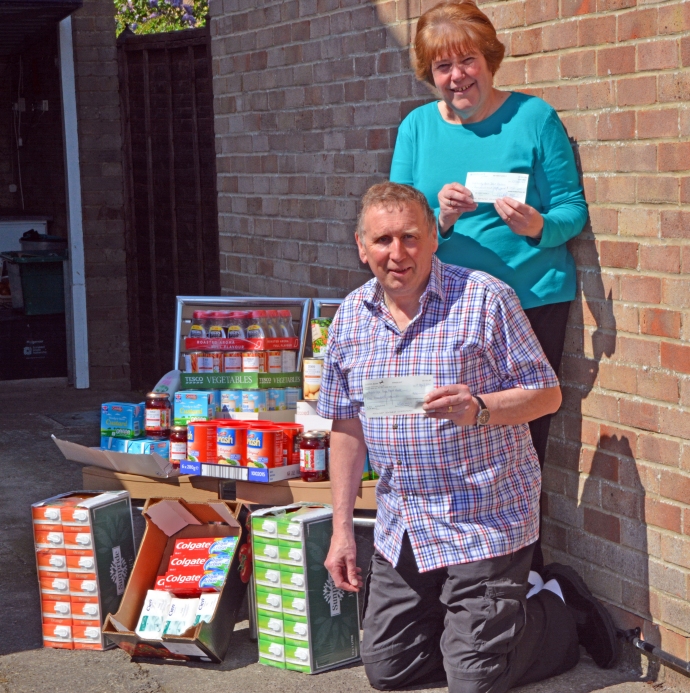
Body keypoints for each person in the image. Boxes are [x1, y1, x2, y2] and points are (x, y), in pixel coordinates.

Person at [319, 182, 617, 693]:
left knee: (474, 681)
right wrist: (342, 530)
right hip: (407, 523)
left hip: (484, 516)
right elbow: (347, 428)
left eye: (411, 237)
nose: (397, 253)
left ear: (435, 237)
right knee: (389, 669)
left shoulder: (485, 298)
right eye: (383, 240)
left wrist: (480, 408)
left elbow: (546, 395)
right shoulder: (350, 317)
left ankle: (557, 612)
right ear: (361, 246)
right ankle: (475, 629)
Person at [390, 0, 588, 569]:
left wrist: (540, 226)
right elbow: (398, 219)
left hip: (529, 302)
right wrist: (438, 216)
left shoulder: (534, 118)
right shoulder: (418, 128)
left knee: (523, 440)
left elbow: (572, 208)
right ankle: (446, 564)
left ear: (489, 58)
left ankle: (522, 572)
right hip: (446, 307)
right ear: (430, 74)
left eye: (467, 60)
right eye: (442, 67)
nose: (457, 77)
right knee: (443, 430)